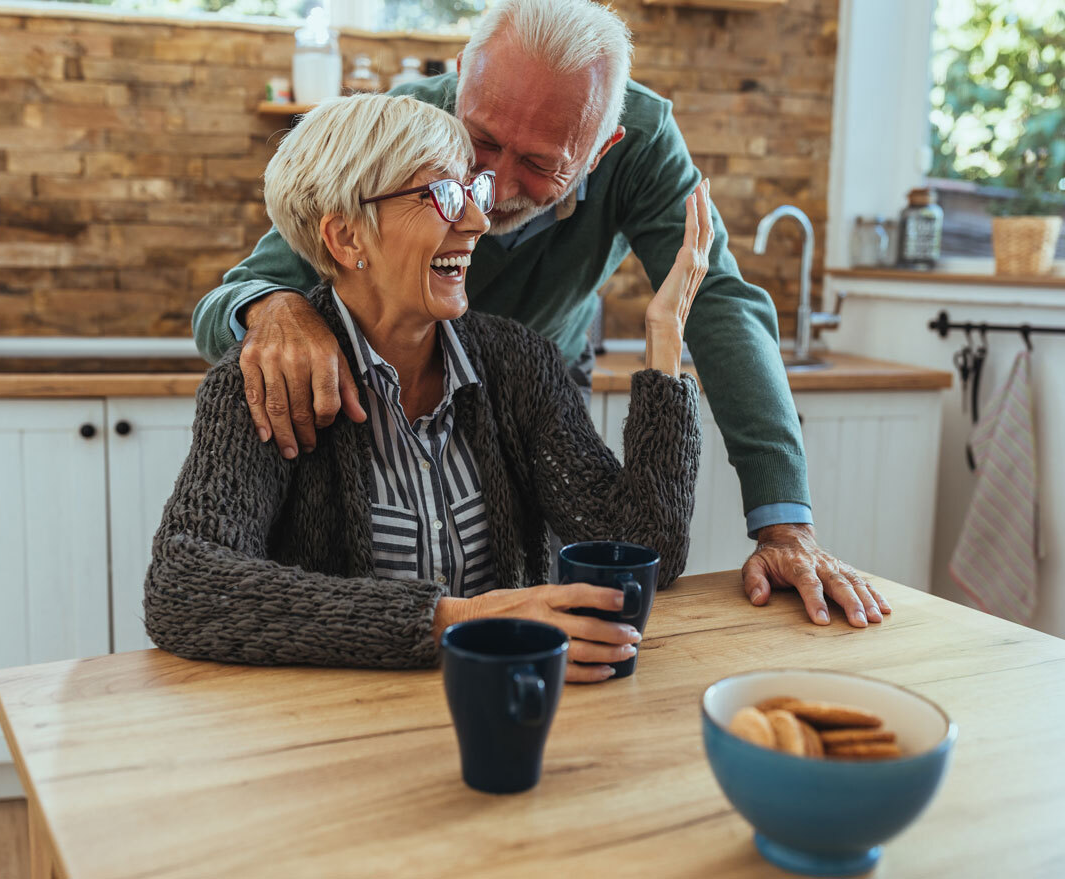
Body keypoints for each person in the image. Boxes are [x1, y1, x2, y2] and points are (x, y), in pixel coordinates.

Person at [190, 0, 891, 628]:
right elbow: (248, 285)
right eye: (481, 143)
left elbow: (718, 303)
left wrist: (783, 523)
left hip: (536, 385)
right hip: (367, 398)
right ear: (461, 76)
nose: (487, 194)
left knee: (528, 568)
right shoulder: (401, 138)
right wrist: (275, 307)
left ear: (603, 148)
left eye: (538, 163)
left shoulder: (641, 146)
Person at [145, 93, 709, 682]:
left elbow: (644, 546)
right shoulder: (263, 384)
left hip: (508, 713)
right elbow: (184, 585)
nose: (477, 221)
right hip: (338, 733)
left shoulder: (520, 366)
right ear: (346, 239)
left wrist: (666, 338)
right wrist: (457, 619)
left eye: (472, 191)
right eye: (441, 196)